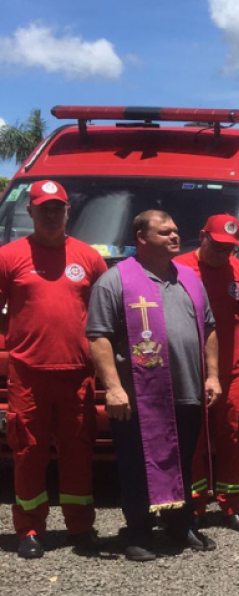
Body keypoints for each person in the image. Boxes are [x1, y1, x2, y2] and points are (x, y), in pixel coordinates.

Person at [87, 210, 220, 562]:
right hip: (137, 397)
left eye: (176, 231)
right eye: (165, 232)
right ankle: (138, 532)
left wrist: (212, 375)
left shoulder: (190, 279)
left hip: (186, 389)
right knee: (137, 465)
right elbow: (98, 336)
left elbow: (209, 328)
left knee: (183, 462)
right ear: (142, 238)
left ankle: (180, 525)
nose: (175, 237)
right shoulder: (115, 281)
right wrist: (113, 388)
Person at [0, 180, 107, 558]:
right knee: (28, 452)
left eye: (57, 207)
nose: (51, 213)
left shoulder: (89, 258)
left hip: (77, 375)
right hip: (28, 376)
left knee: (78, 451)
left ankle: (80, 528)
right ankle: (29, 529)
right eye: (43, 207)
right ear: (29, 212)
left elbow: (104, 317)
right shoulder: (8, 256)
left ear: (67, 211)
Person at [174, 214, 239, 532]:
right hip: (189, 372)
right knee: (191, 441)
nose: (223, 253)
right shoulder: (178, 269)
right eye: (217, 245)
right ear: (202, 236)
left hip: (231, 371)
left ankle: (232, 506)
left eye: (229, 248)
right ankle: (193, 506)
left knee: (233, 439)